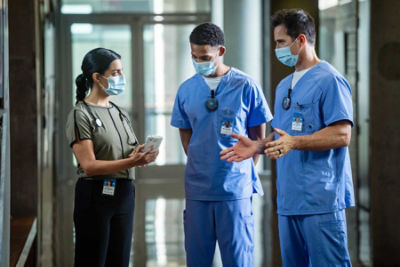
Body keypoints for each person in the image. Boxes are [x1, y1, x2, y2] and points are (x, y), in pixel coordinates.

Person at [220, 9, 354, 267]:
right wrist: (257, 146)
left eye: (281, 42)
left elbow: (342, 134)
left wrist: (294, 142)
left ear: (301, 40)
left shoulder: (331, 81)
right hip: (289, 201)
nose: (277, 48)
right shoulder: (284, 85)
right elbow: (282, 135)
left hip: (321, 199)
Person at [170, 23, 272, 267]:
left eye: (204, 57)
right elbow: (186, 134)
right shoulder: (186, 90)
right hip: (198, 189)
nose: (198, 62)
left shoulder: (246, 86)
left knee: (238, 259)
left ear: (221, 51)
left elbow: (257, 139)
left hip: (234, 190)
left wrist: (240, 170)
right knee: (197, 259)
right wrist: (202, 159)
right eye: (194, 56)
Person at [66, 48, 159, 267]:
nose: (121, 78)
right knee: (92, 260)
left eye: (121, 72)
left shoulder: (119, 112)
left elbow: (129, 151)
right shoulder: (81, 113)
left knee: (119, 261)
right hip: (95, 196)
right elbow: (88, 166)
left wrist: (143, 153)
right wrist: (132, 162)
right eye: (115, 73)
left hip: (124, 195)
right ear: (97, 77)